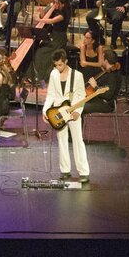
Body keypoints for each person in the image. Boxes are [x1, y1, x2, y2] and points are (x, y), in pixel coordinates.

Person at [43, 50, 89, 182]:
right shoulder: (53, 74)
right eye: (56, 65)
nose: (58, 67)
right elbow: (51, 94)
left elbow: (81, 95)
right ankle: (65, 171)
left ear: (66, 62)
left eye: (60, 65)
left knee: (77, 141)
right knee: (62, 141)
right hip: (58, 112)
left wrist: (78, 111)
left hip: (73, 111)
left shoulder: (77, 75)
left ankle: (83, 172)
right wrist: (45, 110)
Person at [81, 48, 121, 115]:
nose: (100, 60)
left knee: (81, 108)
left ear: (106, 61)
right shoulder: (107, 71)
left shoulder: (113, 76)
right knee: (77, 104)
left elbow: (108, 96)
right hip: (99, 99)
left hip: (106, 104)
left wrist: (95, 86)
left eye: (102, 58)